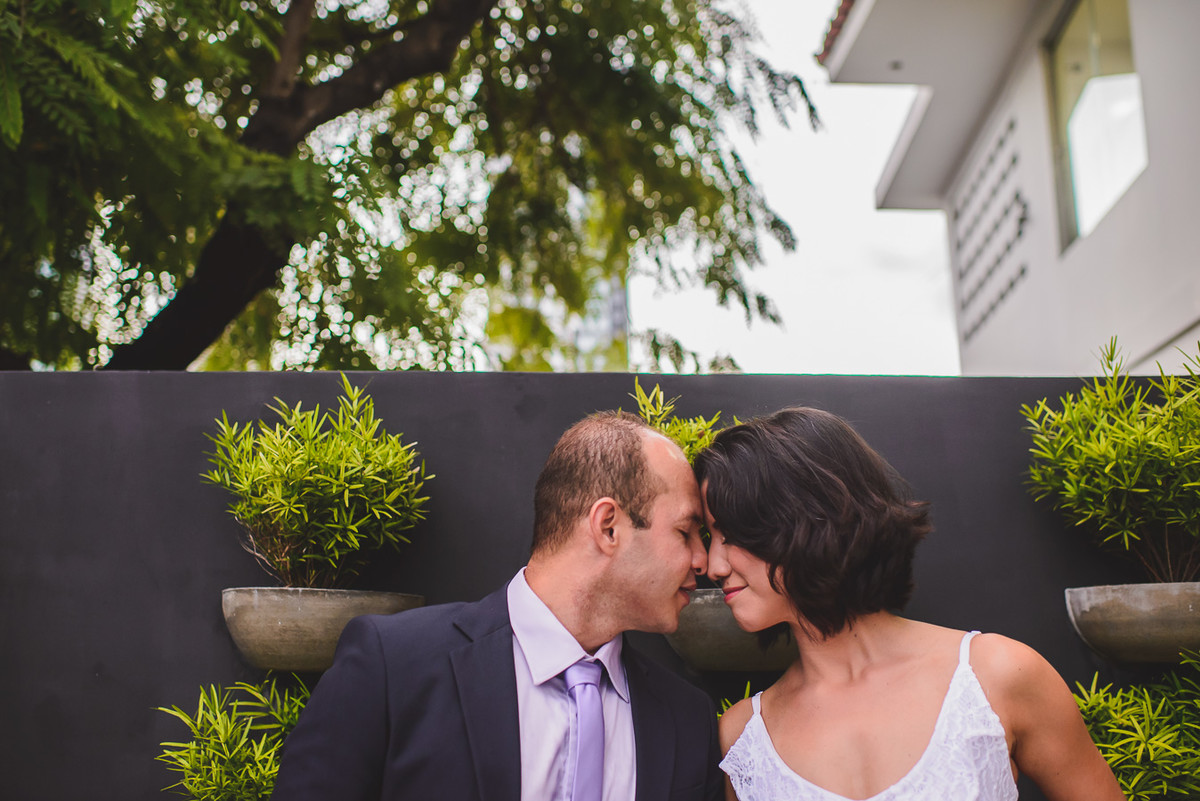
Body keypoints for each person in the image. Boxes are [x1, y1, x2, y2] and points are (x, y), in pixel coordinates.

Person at [271, 410, 723, 801]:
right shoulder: (392, 666)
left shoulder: (687, 719)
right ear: (608, 527)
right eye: (685, 533)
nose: (703, 561)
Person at [693, 407, 1125, 801]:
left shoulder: (996, 676)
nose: (712, 566)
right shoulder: (743, 738)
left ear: (803, 518)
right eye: (710, 539)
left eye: (729, 534)